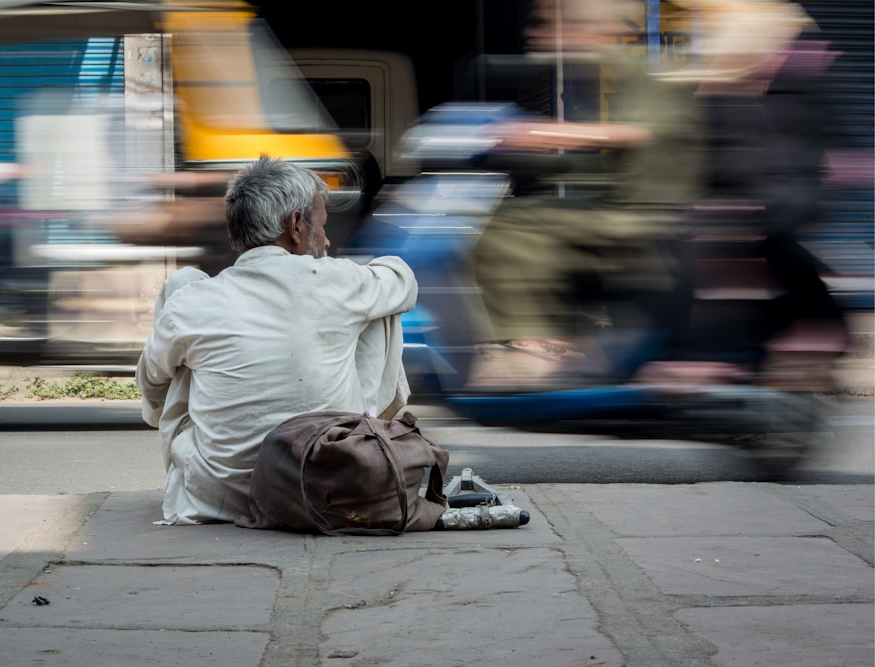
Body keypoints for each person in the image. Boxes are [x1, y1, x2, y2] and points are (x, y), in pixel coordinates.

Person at [135, 155, 418, 524]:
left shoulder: (193, 301)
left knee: (181, 296)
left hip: (219, 498)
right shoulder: (338, 280)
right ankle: (363, 437)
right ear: (296, 224)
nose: (327, 239)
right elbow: (403, 281)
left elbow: (150, 381)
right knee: (379, 306)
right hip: (321, 485)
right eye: (322, 224)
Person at [466, 0, 703, 389]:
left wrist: (546, 134)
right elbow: (607, 160)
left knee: (512, 229)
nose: (533, 33)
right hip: (621, 204)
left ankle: (538, 348)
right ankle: (562, 339)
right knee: (523, 215)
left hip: (643, 215)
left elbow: (641, 133)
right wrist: (521, 154)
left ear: (579, 27)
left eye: (545, 23)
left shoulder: (637, 67)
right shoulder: (596, 72)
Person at [662, 0, 850, 388]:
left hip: (771, 197)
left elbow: (782, 155)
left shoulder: (779, 78)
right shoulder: (726, 82)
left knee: (729, 242)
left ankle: (716, 351)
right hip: (751, 195)